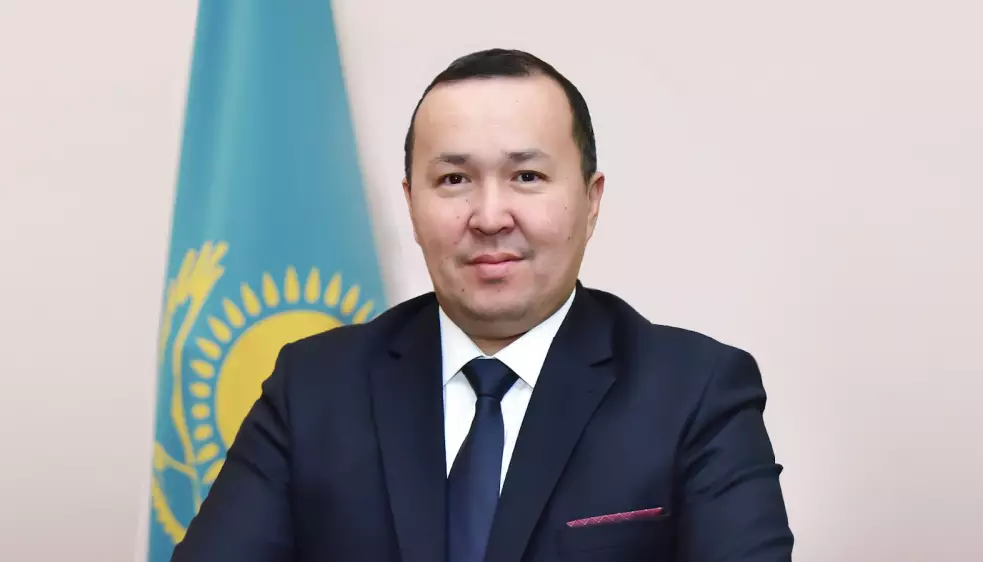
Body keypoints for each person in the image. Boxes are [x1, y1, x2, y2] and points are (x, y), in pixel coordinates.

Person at [172, 48, 794, 562]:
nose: (490, 217)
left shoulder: (696, 392)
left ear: (591, 200)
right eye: (454, 180)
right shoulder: (312, 388)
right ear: (411, 203)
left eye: (527, 177)